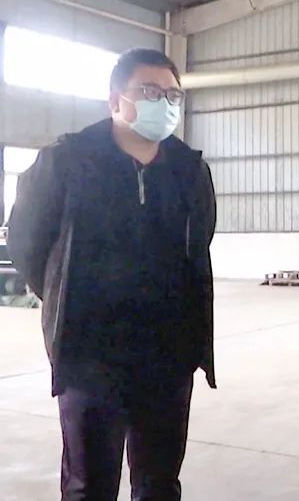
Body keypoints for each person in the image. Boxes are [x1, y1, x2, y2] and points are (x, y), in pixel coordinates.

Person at [7, 48, 216, 501]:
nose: (164, 102)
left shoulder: (189, 170)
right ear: (115, 100)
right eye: (149, 91)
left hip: (168, 355)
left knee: (159, 484)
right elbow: (26, 242)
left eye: (172, 95)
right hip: (90, 355)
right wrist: (63, 294)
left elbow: (200, 240)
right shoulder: (67, 161)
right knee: (89, 485)